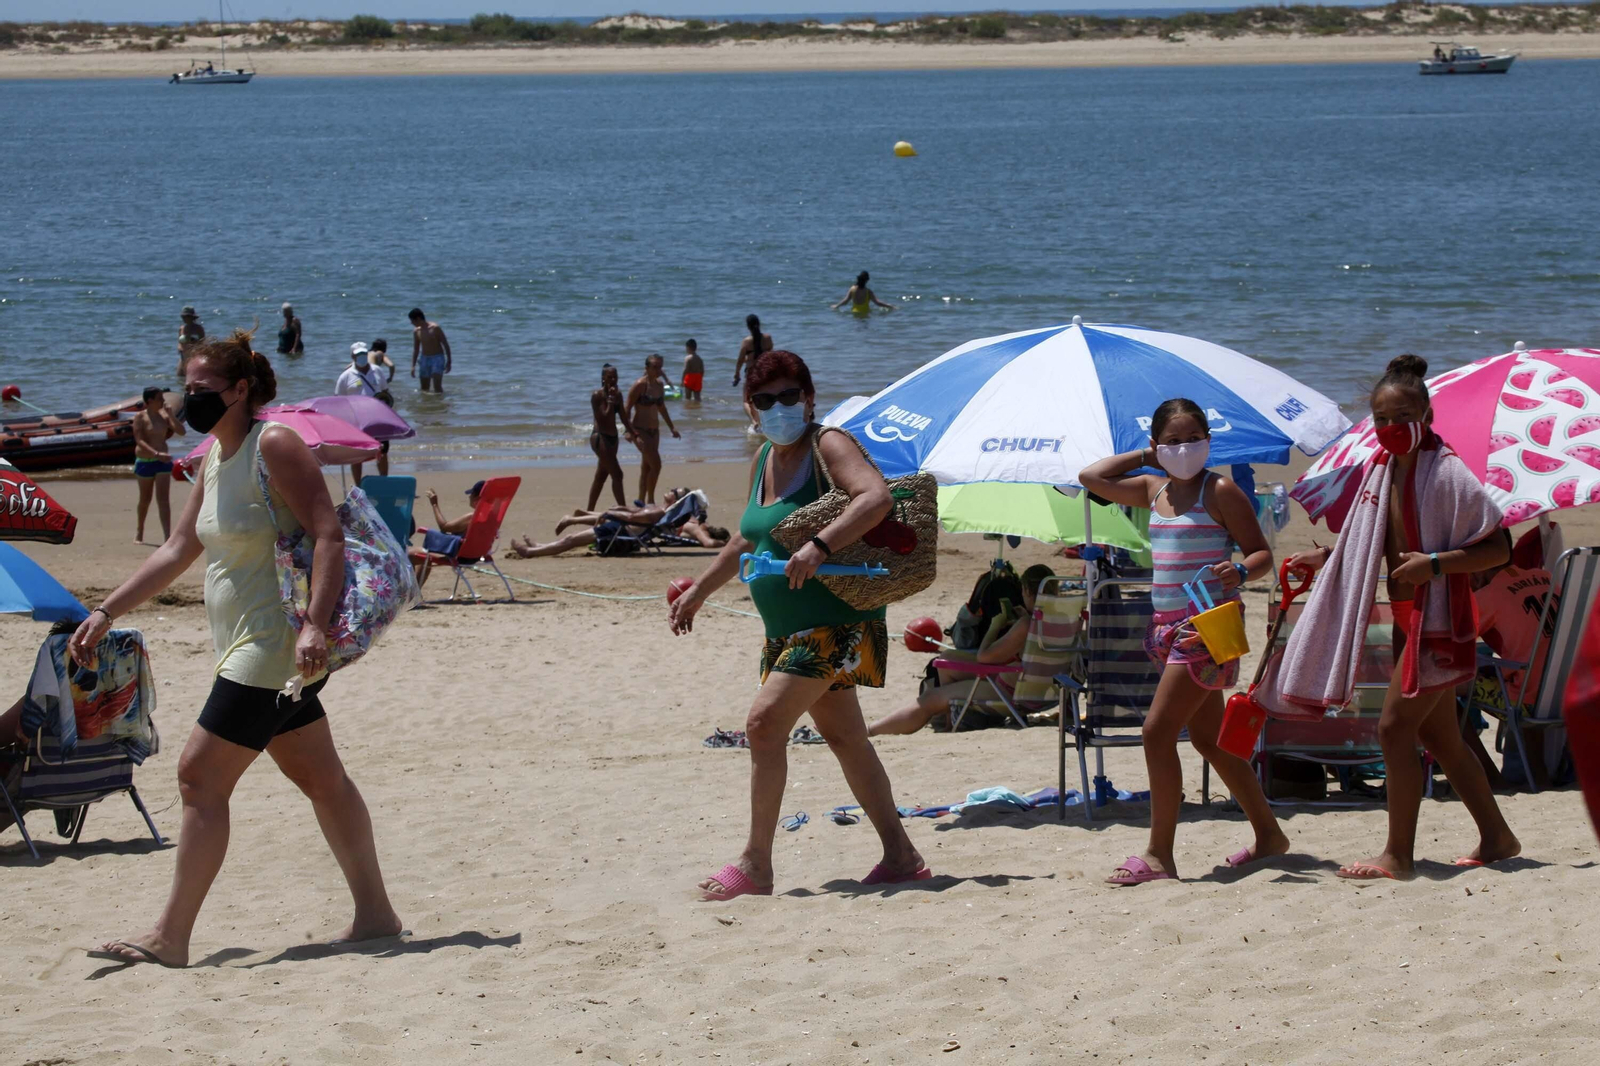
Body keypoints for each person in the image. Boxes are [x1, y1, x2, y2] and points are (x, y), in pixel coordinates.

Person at [74, 329, 401, 968]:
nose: (188, 400)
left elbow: (328, 535)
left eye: (202, 391)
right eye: (185, 390)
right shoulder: (214, 456)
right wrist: (105, 609)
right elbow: (176, 550)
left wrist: (314, 625)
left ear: (242, 388)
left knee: (198, 777)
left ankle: (170, 937)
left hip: (274, 646)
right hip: (240, 645)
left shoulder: (273, 443)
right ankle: (377, 915)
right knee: (323, 779)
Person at [669, 349, 927, 900]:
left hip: (837, 622)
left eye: (790, 396)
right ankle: (902, 856)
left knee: (763, 725)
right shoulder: (765, 457)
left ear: (808, 398)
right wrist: (698, 591)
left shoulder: (827, 444)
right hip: (787, 629)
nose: (779, 407)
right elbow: (747, 537)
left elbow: (875, 497)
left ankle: (755, 865)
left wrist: (820, 543)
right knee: (845, 739)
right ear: (751, 407)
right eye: (766, 400)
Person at [1283, 355, 1519, 881]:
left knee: (1393, 731)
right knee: (1440, 739)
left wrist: (1435, 563)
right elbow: (1375, 541)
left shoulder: (1447, 471)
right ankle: (1498, 837)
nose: (1390, 428)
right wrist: (1327, 558)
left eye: (1401, 416)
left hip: (1439, 624)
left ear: (1427, 413)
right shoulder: (1381, 469)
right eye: (1381, 419)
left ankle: (1399, 856)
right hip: (1410, 620)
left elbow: (1498, 547)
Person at [1079, 398, 1286, 885]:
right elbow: (1091, 477)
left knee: (1156, 731)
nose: (1184, 447)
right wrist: (1145, 458)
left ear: (1208, 440)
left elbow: (1261, 554)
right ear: (1156, 446)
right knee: (1212, 743)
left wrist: (1237, 571)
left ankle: (1159, 855)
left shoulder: (1221, 490)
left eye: (1194, 437)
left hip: (1206, 626)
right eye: (1172, 441)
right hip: (1165, 626)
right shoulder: (1153, 489)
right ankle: (1270, 835)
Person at [870, 564, 1054, 736]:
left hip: (1011, 693)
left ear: (1028, 591)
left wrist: (995, 626)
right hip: (1044, 692)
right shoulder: (1067, 621)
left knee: (930, 699)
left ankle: (871, 730)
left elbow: (984, 658)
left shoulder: (1026, 625)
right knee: (946, 660)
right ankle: (951, 721)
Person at [1466, 524, 1559, 789]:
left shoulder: (1489, 596)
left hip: (1525, 701)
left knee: (1440, 693)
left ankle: (1489, 778)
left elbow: (1452, 643)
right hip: (1563, 691)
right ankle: (1535, 772)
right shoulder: (1545, 578)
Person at [510, 488, 728, 557]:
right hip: (620, 527)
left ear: (675, 500)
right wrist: (616, 510)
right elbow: (634, 512)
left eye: (674, 492)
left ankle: (531, 552)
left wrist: (613, 514)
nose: (670, 490)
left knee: (570, 539)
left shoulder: (660, 511)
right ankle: (538, 547)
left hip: (620, 533)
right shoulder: (658, 509)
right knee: (571, 540)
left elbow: (634, 518)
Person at [625, 354, 681, 506]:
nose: (658, 370)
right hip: (640, 430)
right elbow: (627, 408)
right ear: (646, 368)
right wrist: (629, 431)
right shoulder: (639, 385)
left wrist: (672, 427)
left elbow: (662, 408)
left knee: (647, 467)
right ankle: (650, 501)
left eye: (660, 367)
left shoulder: (659, 385)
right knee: (656, 465)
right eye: (655, 367)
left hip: (654, 431)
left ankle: (640, 501)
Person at [132, 386, 185, 545]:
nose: (163, 401)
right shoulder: (140, 417)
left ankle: (167, 537)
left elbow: (181, 431)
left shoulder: (164, 415)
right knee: (145, 499)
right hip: (145, 461)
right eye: (159, 399)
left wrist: (171, 416)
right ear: (149, 401)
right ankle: (139, 531)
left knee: (163, 500)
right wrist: (156, 453)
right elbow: (139, 441)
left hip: (162, 462)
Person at [335, 343, 392, 483]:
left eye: (363, 354)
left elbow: (385, 391)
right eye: (358, 354)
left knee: (382, 451)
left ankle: (384, 481)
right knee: (357, 454)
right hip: (356, 420)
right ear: (352, 356)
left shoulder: (377, 370)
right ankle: (358, 486)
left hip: (377, 417)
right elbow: (338, 400)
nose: (361, 357)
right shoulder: (345, 376)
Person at [587, 364, 632, 512]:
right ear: (603, 378)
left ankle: (589, 511)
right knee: (618, 475)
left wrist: (633, 433)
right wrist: (611, 401)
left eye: (615, 376)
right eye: (609, 377)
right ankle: (624, 511)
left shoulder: (618, 395)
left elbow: (624, 418)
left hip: (613, 439)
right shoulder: (597, 396)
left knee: (601, 476)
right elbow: (603, 417)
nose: (613, 380)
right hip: (600, 439)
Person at [409, 308, 451, 394]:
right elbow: (416, 349)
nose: (411, 323)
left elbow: (445, 344)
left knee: (437, 386)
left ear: (418, 319)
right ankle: (427, 405)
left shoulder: (435, 328)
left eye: (412, 320)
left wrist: (449, 361)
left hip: (437, 358)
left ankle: (440, 404)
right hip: (424, 358)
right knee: (424, 388)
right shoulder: (417, 331)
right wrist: (413, 366)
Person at [731, 314, 773, 388]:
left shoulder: (746, 341)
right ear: (759, 324)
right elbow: (769, 355)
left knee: (747, 398)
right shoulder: (768, 338)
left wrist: (737, 374)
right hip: (766, 371)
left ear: (748, 327)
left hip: (751, 373)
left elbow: (740, 360)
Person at [177, 306, 205, 377]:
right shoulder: (181, 328)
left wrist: (193, 340)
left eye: (186, 316)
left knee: (192, 376)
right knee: (180, 377)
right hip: (183, 356)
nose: (184, 318)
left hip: (193, 356)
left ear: (192, 317)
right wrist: (180, 349)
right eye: (183, 316)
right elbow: (179, 342)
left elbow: (203, 342)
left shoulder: (198, 328)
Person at [681, 339, 704, 403]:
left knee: (688, 397)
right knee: (697, 397)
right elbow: (702, 370)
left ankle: (689, 410)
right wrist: (700, 379)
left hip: (690, 377)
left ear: (688, 348)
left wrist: (682, 380)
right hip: (698, 378)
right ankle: (698, 408)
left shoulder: (688, 358)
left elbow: (685, 370)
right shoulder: (699, 359)